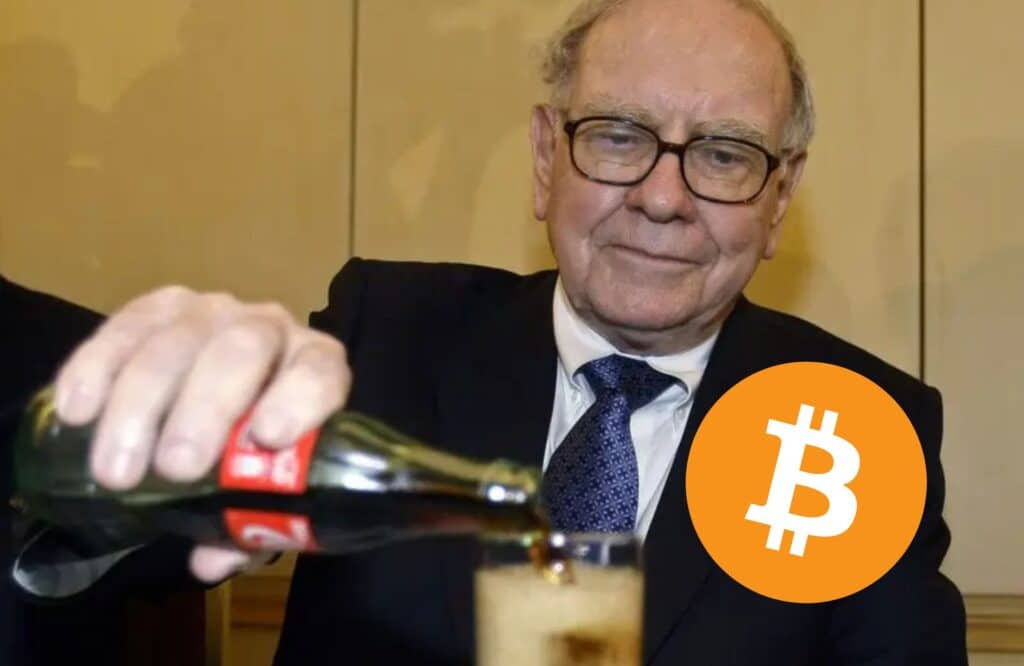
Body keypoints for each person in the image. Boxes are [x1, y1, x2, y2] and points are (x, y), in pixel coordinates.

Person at [25, 0, 967, 663]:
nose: (663, 197)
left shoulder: (858, 435)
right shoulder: (382, 336)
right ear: (546, 159)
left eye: (724, 154)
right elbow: (103, 557)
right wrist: (136, 445)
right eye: (619, 135)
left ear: (779, 199)